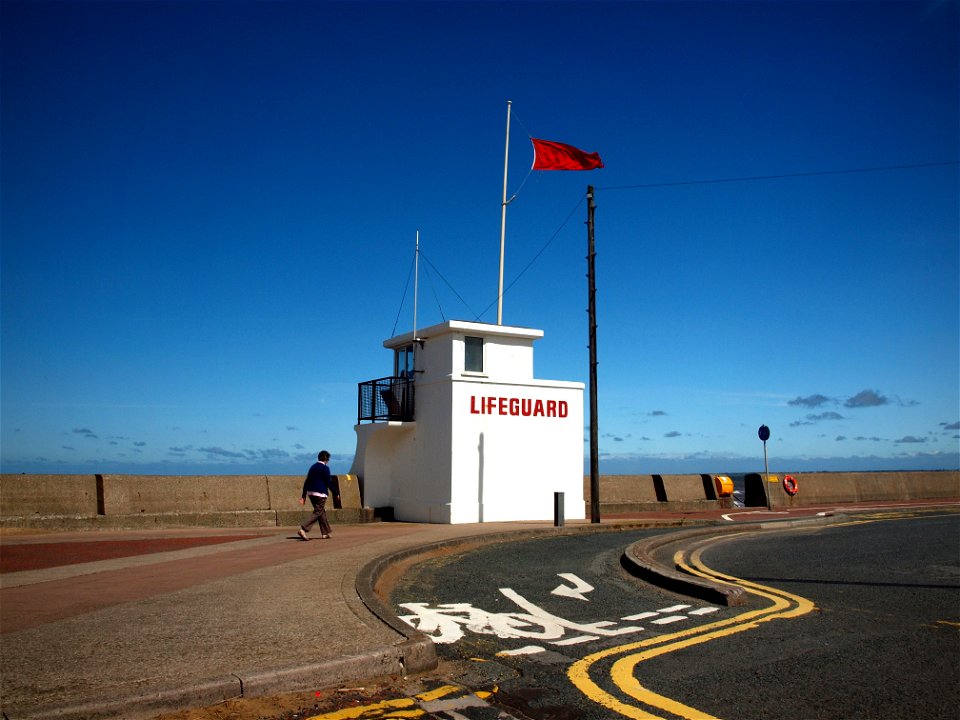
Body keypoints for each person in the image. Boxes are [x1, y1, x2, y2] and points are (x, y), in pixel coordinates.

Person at [298, 450, 339, 540]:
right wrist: (336, 493)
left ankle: (325, 532)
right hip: (320, 494)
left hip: (311, 493)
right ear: (327, 459)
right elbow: (328, 482)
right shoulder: (325, 468)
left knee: (321, 511)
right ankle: (303, 529)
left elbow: (306, 482)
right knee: (318, 512)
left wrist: (303, 496)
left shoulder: (313, 467)